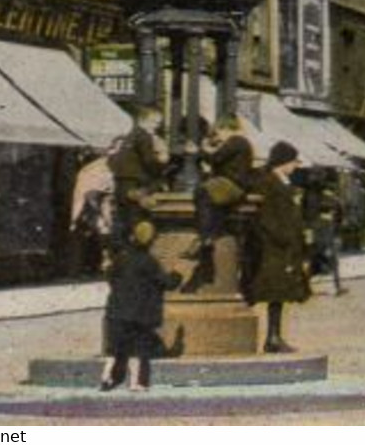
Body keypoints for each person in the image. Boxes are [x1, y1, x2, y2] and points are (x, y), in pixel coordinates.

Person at [100, 220, 179, 392]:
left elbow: (110, 276)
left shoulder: (122, 258)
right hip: (139, 313)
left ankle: (106, 377)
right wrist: (176, 275)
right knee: (136, 349)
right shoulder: (149, 261)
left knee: (114, 348)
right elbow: (166, 282)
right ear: (151, 240)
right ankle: (135, 383)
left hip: (117, 310)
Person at [248, 141, 309, 353]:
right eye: (293, 161)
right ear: (283, 161)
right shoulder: (269, 182)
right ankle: (272, 337)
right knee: (273, 291)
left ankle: (274, 336)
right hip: (273, 247)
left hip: (285, 247)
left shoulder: (283, 182)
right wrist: (283, 237)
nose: (295, 165)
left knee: (280, 293)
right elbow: (266, 217)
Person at [183, 116, 254, 292]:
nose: (217, 137)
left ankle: (205, 236)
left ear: (226, 128)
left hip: (232, 184)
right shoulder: (240, 143)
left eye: (218, 132)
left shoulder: (237, 141)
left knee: (202, 192)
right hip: (232, 184)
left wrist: (198, 150)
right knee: (208, 196)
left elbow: (216, 159)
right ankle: (208, 235)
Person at [108, 107, 167, 249]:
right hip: (136, 184)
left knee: (123, 221)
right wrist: (162, 163)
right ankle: (136, 252)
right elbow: (149, 161)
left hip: (121, 184)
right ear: (144, 121)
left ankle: (120, 252)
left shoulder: (130, 136)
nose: (157, 126)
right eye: (155, 122)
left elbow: (114, 161)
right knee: (137, 220)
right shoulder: (144, 136)